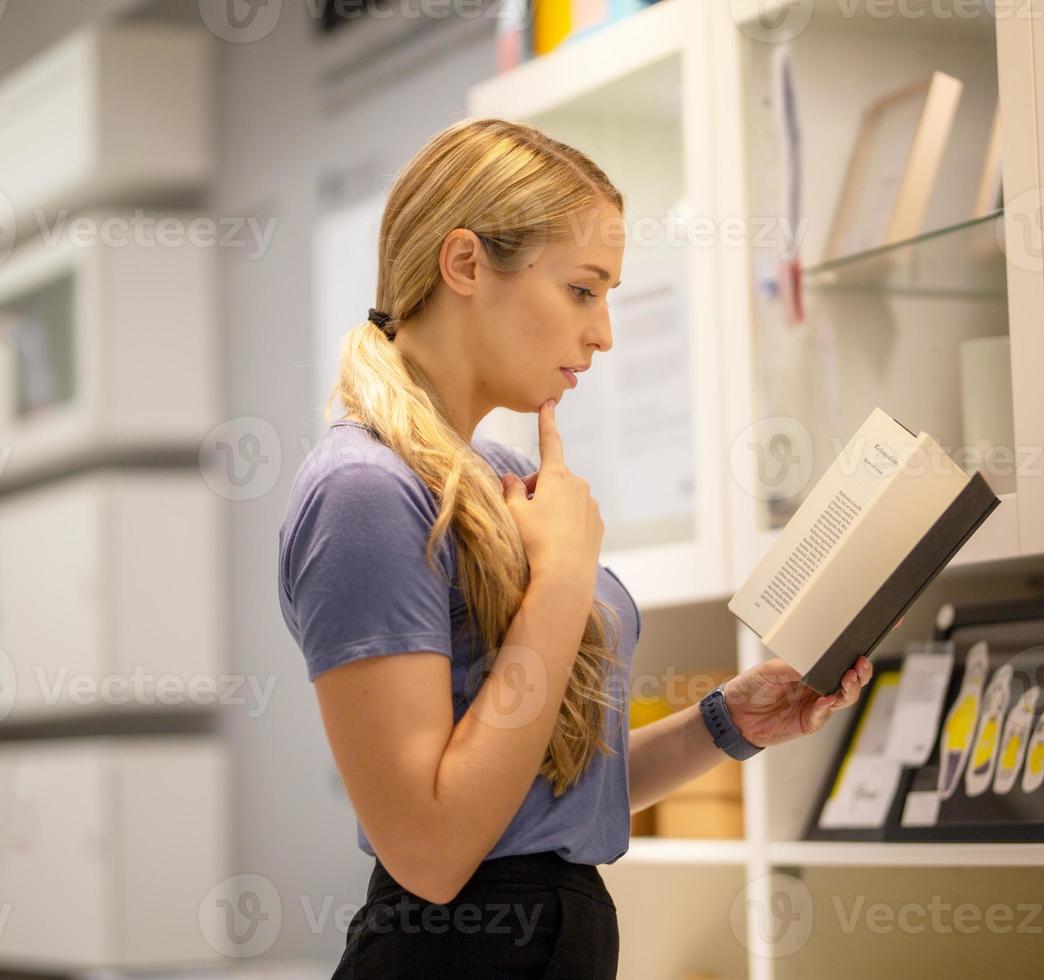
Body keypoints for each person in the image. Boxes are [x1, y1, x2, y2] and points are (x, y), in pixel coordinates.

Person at [276, 117, 874, 978]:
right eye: (584, 290)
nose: (604, 335)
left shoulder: (503, 476)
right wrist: (559, 581)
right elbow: (437, 849)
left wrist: (726, 724)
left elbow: (531, 805)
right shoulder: (365, 493)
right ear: (467, 264)